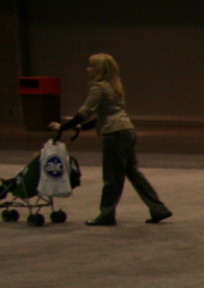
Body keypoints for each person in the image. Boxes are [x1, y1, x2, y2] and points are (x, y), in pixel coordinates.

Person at [54, 52, 170, 226]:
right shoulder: (115, 86)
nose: (88, 69)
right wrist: (83, 128)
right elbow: (107, 113)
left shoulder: (98, 87)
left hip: (114, 135)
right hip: (127, 130)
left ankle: (107, 214)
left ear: (98, 70)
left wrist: (63, 127)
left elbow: (85, 111)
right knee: (133, 172)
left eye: (91, 66)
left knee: (112, 178)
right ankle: (158, 208)